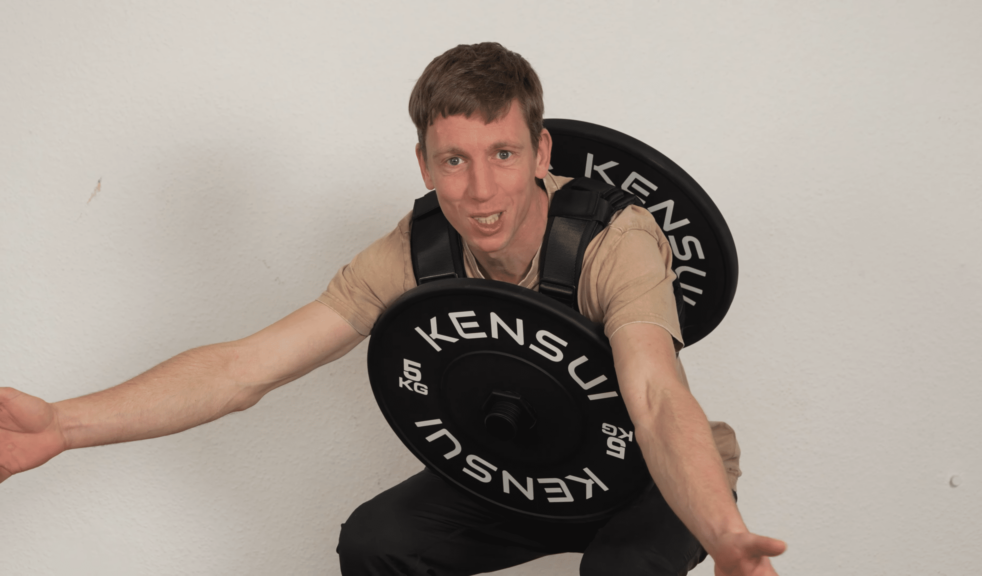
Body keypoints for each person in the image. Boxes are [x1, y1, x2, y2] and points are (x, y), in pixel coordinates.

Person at [0, 42, 785, 575]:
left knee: (623, 571)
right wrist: (67, 425)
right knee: (378, 542)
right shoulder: (416, 249)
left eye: (503, 155)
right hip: (527, 475)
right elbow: (245, 368)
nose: (480, 192)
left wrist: (724, 535)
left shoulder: (616, 238)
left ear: (541, 153)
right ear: (425, 163)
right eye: (455, 161)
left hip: (654, 477)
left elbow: (654, 400)